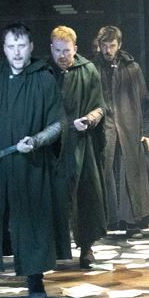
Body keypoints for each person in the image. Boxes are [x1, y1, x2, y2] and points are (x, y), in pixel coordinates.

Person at [0, 22, 69, 298]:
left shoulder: (43, 79)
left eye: (21, 46)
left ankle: (35, 280)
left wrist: (36, 140)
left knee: (31, 221)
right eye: (11, 47)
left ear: (31, 47)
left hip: (29, 167)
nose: (17, 52)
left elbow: (58, 123)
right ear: (4, 48)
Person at [46, 25, 108, 269]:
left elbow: (100, 106)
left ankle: (86, 248)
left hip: (81, 142)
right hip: (51, 145)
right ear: (51, 49)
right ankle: (53, 249)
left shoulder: (88, 70)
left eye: (67, 51)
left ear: (76, 49)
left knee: (85, 195)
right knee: (53, 196)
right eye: (58, 50)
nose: (62, 56)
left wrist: (89, 119)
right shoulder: (44, 72)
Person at [95, 26, 149, 238]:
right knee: (107, 174)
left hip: (130, 129)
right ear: (99, 45)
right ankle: (108, 221)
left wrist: (146, 132)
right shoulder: (94, 69)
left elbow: (144, 102)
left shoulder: (132, 69)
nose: (108, 50)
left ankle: (132, 222)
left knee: (129, 174)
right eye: (104, 45)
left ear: (119, 45)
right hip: (105, 131)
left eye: (112, 45)